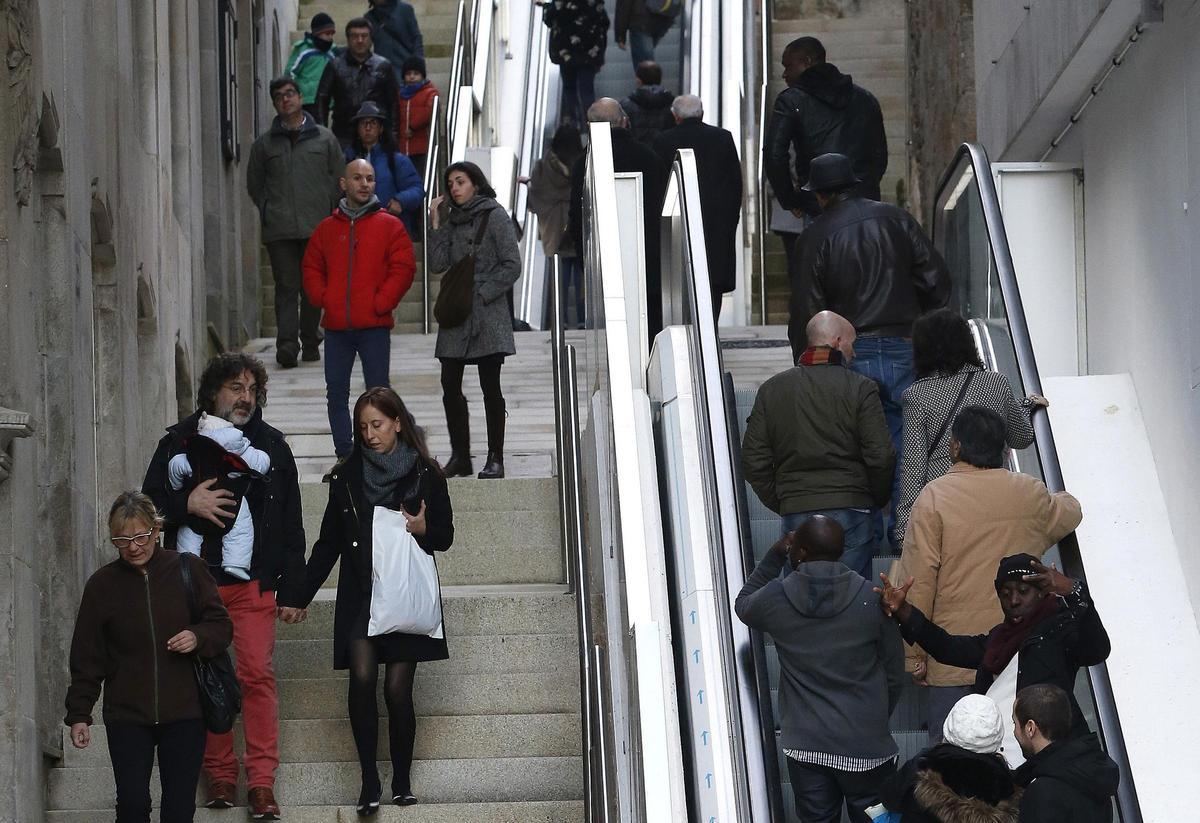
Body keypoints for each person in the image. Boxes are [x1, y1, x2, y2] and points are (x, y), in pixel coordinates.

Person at [142, 353, 308, 818]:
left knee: (255, 674)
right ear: (213, 392)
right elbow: (146, 509)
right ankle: (218, 775)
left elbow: (290, 520)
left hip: (253, 582)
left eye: (252, 389)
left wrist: (294, 590)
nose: (245, 396)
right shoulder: (177, 440)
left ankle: (260, 782)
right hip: (192, 584)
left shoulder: (271, 445)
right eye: (236, 387)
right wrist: (185, 503)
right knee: (205, 677)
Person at [301, 387, 453, 813]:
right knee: (363, 679)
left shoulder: (426, 473)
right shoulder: (347, 476)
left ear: (398, 422)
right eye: (363, 426)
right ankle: (369, 780)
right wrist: (299, 595)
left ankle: (401, 781)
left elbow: (445, 536)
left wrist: (423, 529)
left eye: (378, 424)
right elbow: (328, 543)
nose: (370, 434)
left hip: (403, 593)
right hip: (360, 594)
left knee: (397, 689)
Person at [895, 405, 1083, 743]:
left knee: (951, 767)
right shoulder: (1030, 493)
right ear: (1005, 450)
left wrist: (915, 654)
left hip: (952, 657)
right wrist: (1065, 495)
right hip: (1017, 658)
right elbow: (1069, 512)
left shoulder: (933, 498)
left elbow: (918, 580)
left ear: (955, 447)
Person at [789, 152, 951, 536]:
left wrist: (806, 360)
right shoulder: (895, 219)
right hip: (903, 345)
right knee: (907, 441)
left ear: (820, 194)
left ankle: (867, 534)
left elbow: (807, 311)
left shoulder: (814, 236)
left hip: (848, 351)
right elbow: (937, 282)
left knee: (854, 447)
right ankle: (905, 532)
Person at [65, 491, 233, 823]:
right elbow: (87, 655)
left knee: (179, 809)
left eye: (141, 536)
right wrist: (79, 713)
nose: (133, 546)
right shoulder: (102, 585)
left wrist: (198, 636)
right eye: (122, 539)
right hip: (127, 716)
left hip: (185, 713)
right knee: (131, 806)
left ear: (156, 530)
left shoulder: (189, 569)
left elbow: (222, 626)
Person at [735, 516, 904, 823]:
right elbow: (894, 670)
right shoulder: (873, 599)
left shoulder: (777, 598)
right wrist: (876, 715)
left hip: (807, 747)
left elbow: (744, 603)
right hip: (867, 747)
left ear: (798, 553)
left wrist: (774, 555)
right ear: (842, 550)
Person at [877, 553, 1109, 757]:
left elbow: (1097, 650)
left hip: (1047, 756)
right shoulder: (1000, 638)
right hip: (997, 753)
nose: (1013, 601)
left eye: (1023, 591)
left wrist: (1074, 590)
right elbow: (947, 647)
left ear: (1042, 593)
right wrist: (904, 611)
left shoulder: (1060, 630)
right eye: (1005, 593)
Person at [741, 311, 894, 579]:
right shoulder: (861, 388)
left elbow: (753, 460)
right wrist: (874, 499)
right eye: (851, 344)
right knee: (852, 595)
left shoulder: (772, 390)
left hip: (797, 509)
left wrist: (784, 499)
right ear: (836, 342)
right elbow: (881, 455)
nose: (854, 353)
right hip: (853, 507)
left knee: (801, 595)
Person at [893, 308, 1048, 546]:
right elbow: (1022, 437)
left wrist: (905, 525)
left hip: (944, 499)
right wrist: (1026, 406)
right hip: (995, 496)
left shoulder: (917, 396)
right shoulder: (996, 383)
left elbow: (914, 467)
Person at [303, 158, 415, 464]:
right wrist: (324, 297)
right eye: (357, 178)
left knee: (379, 392)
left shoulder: (390, 226)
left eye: (370, 178)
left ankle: (388, 449)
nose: (364, 184)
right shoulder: (327, 229)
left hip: (374, 325)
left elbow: (404, 267)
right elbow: (312, 266)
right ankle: (345, 454)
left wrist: (383, 302)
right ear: (344, 184)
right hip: (338, 327)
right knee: (336, 393)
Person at [428, 161, 522, 479]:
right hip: (456, 313)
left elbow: (512, 264)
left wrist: (483, 294)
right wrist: (436, 222)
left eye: (460, 181)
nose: (454, 187)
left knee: (489, 386)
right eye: (450, 183)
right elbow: (437, 264)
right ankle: (460, 456)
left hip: (487, 314)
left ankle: (496, 456)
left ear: (476, 184)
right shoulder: (452, 221)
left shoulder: (495, 215)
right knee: (449, 383)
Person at [247, 75, 344, 368]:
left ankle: (311, 339)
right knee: (286, 286)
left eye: (290, 94)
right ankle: (287, 346)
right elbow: (255, 184)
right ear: (275, 104)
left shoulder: (325, 138)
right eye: (279, 96)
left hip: (317, 226)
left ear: (300, 97)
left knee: (313, 286)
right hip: (280, 228)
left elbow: (337, 177)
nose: (285, 99)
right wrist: (268, 208)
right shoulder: (264, 145)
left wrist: (327, 209)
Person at [568, 98, 667, 339]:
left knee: (615, 333)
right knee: (650, 327)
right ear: (625, 122)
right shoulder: (649, 157)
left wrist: (586, 261)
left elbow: (578, 216)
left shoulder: (585, 163)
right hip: (648, 261)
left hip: (604, 262)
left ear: (589, 126)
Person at [764, 36, 887, 218]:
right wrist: (867, 184)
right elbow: (879, 155)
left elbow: (774, 155)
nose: (784, 74)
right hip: (864, 200)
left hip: (819, 201)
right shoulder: (865, 98)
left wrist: (790, 200)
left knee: (822, 245)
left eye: (788, 66)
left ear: (806, 63)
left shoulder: (790, 100)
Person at [652, 94, 743, 320]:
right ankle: (709, 329)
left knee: (681, 278)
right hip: (717, 224)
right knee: (712, 281)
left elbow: (658, 185)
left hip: (678, 223)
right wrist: (731, 218)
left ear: (675, 116)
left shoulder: (663, 141)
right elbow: (735, 182)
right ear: (702, 113)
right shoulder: (723, 138)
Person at [878, 694, 1021, 823]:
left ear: (948, 726)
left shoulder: (922, 766)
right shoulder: (1006, 784)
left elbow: (888, 798)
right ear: (997, 736)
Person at [167, 411, 271, 581]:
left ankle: (188, 565)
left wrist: (177, 487)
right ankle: (236, 563)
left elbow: (175, 467)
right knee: (241, 530)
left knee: (189, 533)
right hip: (233, 502)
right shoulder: (240, 449)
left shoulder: (194, 453)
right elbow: (261, 462)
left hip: (196, 507)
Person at [1012, 684, 1120, 822]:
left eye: (1014, 723)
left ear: (1030, 728)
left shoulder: (1043, 792)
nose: (1014, 732)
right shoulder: (1092, 772)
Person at [528, 123, 586, 327]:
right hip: (578, 224)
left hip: (554, 228)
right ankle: (582, 319)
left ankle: (559, 321)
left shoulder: (543, 166)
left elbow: (536, 196)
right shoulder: (584, 163)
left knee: (559, 277)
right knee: (582, 275)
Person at [316, 17, 401, 147]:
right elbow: (322, 99)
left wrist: (393, 136)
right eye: (355, 36)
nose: (360, 40)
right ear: (348, 39)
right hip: (343, 135)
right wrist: (323, 134)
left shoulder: (383, 66)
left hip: (376, 136)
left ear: (371, 39)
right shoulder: (335, 66)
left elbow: (393, 104)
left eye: (364, 36)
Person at [345, 101, 424, 238]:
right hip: (356, 227)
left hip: (390, 229)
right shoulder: (348, 158)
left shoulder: (396, 160)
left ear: (381, 129)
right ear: (357, 129)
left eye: (373, 123)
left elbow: (417, 189)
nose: (368, 128)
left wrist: (400, 200)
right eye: (363, 123)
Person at [541, 0, 609, 127]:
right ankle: (594, 131)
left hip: (566, 52)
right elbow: (604, 23)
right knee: (587, 90)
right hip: (590, 52)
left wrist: (546, 6)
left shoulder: (560, 2)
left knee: (569, 88)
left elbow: (549, 19)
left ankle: (574, 127)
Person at [287, 12, 339, 118]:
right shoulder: (304, 50)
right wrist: (292, 94)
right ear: (317, 33)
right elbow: (290, 72)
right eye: (327, 34)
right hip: (306, 99)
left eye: (331, 34)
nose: (330, 37)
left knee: (321, 130)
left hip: (325, 100)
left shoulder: (332, 53)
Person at [396, 56, 439, 180]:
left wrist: (413, 126)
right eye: (408, 74)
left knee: (421, 174)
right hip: (404, 146)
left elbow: (429, 111)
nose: (412, 77)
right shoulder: (401, 94)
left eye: (416, 73)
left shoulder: (429, 92)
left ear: (422, 75)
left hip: (421, 146)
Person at [365, 0, 424, 85]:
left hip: (407, 68)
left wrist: (419, 64)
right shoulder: (369, 17)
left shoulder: (405, 9)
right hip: (384, 70)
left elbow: (416, 37)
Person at [621, 61, 675, 144]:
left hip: (636, 153)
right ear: (660, 79)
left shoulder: (626, 105)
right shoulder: (673, 105)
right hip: (664, 153)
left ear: (638, 80)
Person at [614, 0, 678, 66]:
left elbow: (623, 5)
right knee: (646, 62)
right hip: (661, 19)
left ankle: (648, 74)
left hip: (642, 23)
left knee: (646, 66)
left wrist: (620, 35)